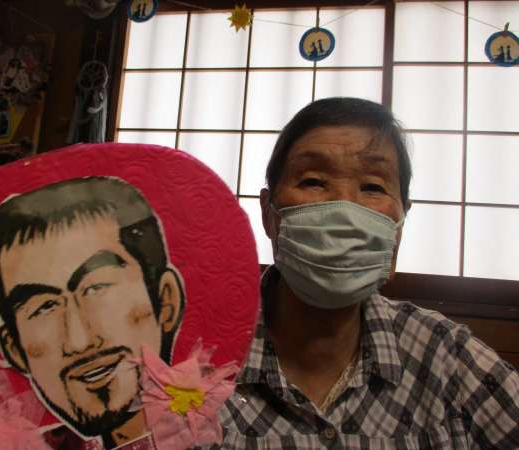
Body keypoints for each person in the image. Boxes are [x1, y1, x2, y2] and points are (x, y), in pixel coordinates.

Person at [214, 97, 519, 449]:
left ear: (398, 227)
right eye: (313, 181)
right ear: (269, 214)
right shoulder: (195, 354)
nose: (344, 206)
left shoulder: (446, 356)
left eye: (372, 186)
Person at [0, 176, 185, 449]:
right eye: (44, 307)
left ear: (166, 300)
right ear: (14, 349)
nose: (79, 342)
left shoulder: (222, 424)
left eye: (97, 287)